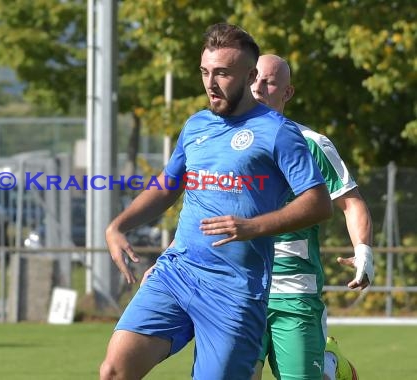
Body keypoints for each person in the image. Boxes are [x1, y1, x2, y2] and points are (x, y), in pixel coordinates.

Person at [100, 24, 333, 380]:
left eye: (223, 73)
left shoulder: (278, 132)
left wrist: (253, 227)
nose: (211, 83)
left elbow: (318, 204)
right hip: (177, 272)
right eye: (205, 72)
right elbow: (167, 186)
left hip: (234, 289)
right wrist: (118, 226)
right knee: (114, 371)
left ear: (251, 75)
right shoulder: (196, 125)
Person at [250, 54, 374, 380]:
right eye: (253, 78)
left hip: (295, 291)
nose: (258, 87)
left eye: (269, 81)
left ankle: (331, 365)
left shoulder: (311, 144)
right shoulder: (224, 142)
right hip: (238, 288)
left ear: (287, 92)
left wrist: (364, 253)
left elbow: (351, 203)